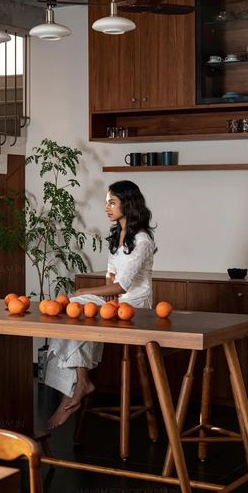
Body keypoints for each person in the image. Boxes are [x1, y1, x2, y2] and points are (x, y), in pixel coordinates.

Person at [46, 180, 156, 429]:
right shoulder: (118, 234)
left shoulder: (142, 240)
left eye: (112, 202)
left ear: (127, 205)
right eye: (107, 202)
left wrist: (87, 290)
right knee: (73, 312)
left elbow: (123, 286)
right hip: (115, 299)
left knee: (77, 302)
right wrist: (107, 293)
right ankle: (80, 381)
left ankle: (77, 389)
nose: (107, 207)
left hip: (137, 303)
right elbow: (111, 275)